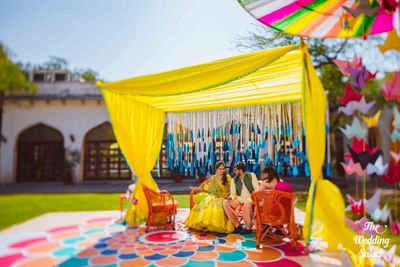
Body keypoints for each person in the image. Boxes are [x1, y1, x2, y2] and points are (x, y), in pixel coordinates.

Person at [184, 161, 235, 233]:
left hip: (225, 197)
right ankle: (205, 224)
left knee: (216, 204)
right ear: (216, 169)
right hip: (215, 196)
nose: (222, 171)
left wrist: (228, 195)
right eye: (220, 169)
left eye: (223, 169)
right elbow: (210, 190)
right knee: (206, 201)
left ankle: (214, 225)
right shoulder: (213, 178)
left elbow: (232, 189)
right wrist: (200, 189)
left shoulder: (227, 177)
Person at [223, 162, 259, 234]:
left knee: (247, 203)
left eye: (235, 170)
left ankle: (248, 228)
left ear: (240, 170)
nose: (234, 172)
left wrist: (253, 196)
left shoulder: (251, 175)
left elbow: (257, 189)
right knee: (225, 203)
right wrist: (229, 197)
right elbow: (233, 194)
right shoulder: (234, 180)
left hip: (250, 198)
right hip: (239, 199)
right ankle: (237, 225)